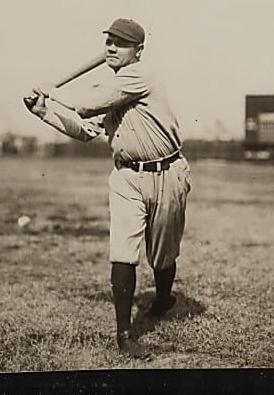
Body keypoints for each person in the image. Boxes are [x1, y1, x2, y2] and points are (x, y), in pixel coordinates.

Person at [25, 18, 191, 358]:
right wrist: (44, 112)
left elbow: (86, 104)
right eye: (109, 42)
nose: (112, 48)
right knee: (123, 252)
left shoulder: (141, 76)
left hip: (167, 172)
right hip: (127, 175)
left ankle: (163, 299)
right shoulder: (111, 88)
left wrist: (50, 90)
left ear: (138, 51)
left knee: (163, 255)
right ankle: (124, 335)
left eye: (122, 43)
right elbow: (86, 130)